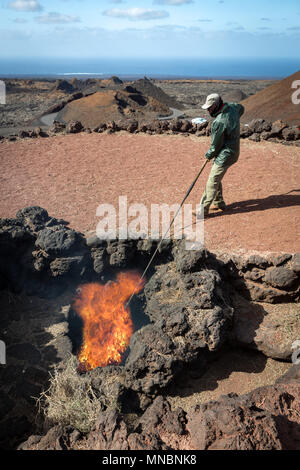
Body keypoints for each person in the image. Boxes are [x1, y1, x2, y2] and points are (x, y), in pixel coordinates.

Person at [198, 93, 244, 217]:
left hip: (226, 153)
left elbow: (215, 146)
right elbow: (242, 108)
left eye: (210, 107)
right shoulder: (233, 108)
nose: (208, 110)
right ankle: (219, 203)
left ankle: (202, 210)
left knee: (212, 180)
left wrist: (208, 155)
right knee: (216, 175)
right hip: (233, 150)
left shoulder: (219, 122)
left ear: (217, 105)